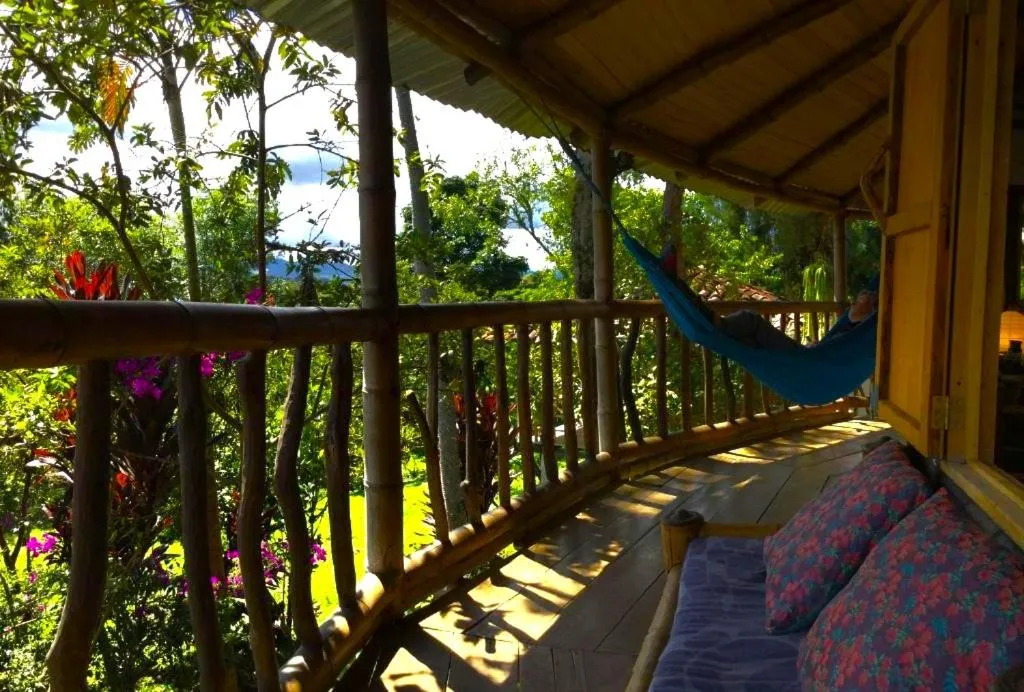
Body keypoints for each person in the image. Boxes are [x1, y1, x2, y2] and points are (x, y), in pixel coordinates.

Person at [659, 243, 879, 352]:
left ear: (870, 306)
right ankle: (682, 290)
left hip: (805, 361)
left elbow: (837, 352)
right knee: (746, 338)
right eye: (858, 295)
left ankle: (704, 313)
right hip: (808, 357)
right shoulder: (850, 322)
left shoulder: (862, 331)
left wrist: (816, 347)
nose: (854, 300)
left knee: (750, 320)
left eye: (862, 297)